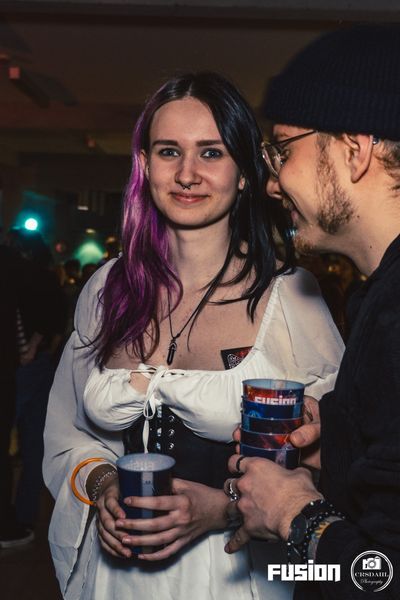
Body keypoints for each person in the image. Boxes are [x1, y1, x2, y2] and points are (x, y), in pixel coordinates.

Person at [43, 72, 343, 600]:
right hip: (115, 577)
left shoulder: (291, 297)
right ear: (144, 165)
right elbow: (68, 433)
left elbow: (341, 459)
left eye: (211, 152)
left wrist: (224, 509)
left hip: (235, 576)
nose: (186, 174)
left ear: (244, 172)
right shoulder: (108, 289)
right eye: (168, 152)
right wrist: (105, 485)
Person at [224, 24, 400, 599]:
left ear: (355, 149)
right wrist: (344, 445)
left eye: (282, 150)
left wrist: (294, 515)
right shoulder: (378, 294)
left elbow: (383, 580)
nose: (271, 185)